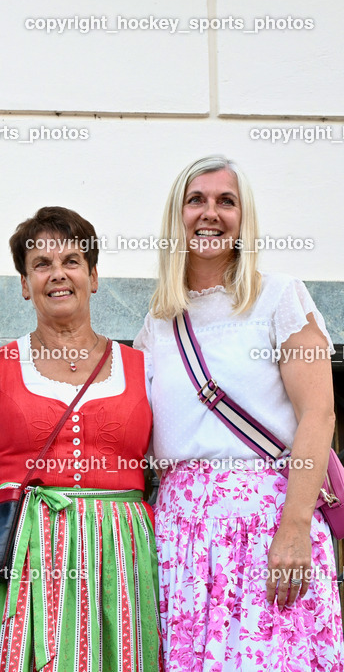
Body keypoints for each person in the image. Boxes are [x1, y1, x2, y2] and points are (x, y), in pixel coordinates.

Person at [134, 155, 343, 671]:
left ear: (243, 217)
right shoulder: (157, 325)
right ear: (176, 216)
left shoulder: (279, 297)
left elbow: (319, 414)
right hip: (178, 537)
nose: (211, 213)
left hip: (269, 525)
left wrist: (294, 526)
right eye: (196, 200)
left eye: (226, 201)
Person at [0, 207, 161, 671]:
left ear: (93, 277)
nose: (58, 274)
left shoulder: (144, 367)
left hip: (120, 554)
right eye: (41, 264)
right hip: (25, 553)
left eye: (71, 261)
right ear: (24, 284)